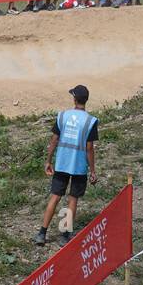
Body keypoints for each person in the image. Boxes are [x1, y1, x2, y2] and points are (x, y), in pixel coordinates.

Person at [35, 84, 98, 247]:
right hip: (78, 166)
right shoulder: (90, 121)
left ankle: (42, 233)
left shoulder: (62, 116)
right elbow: (89, 148)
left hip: (62, 163)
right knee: (72, 199)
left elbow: (54, 140)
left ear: (74, 99)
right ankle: (64, 235)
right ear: (86, 100)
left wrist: (48, 161)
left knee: (55, 197)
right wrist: (92, 170)